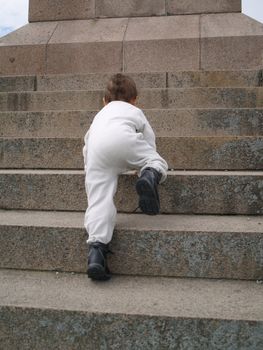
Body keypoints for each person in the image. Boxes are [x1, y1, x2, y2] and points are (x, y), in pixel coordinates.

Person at [83, 73, 168, 281]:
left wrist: (91, 170)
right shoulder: (134, 111)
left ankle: (97, 251)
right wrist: (144, 165)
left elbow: (87, 143)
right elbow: (149, 140)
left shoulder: (99, 116)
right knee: (156, 161)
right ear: (134, 100)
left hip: (97, 152)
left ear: (104, 101)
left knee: (99, 200)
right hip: (126, 142)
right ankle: (150, 175)